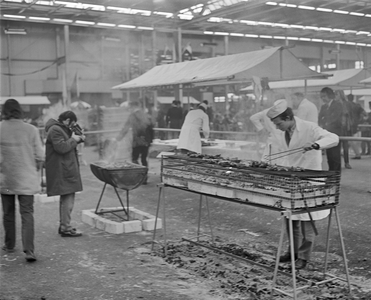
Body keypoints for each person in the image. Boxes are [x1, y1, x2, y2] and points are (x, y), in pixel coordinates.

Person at [266, 101, 339, 270]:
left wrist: (316, 145)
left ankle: (304, 257)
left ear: (289, 117)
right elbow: (271, 150)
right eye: (276, 125)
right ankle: (292, 252)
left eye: (280, 124)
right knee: (290, 218)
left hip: (309, 180)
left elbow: (334, 138)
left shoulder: (310, 128)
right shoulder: (281, 132)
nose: (278, 128)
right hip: (291, 180)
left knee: (306, 219)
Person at [1, 99, 45, 262]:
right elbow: (40, 156)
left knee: (8, 213)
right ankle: (29, 251)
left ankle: (10, 244)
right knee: (27, 213)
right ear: (20, 111)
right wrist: (34, 167)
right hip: (26, 179)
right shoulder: (31, 130)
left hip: (5, 180)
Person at [45, 111, 85, 237]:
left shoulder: (60, 129)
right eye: (71, 123)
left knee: (67, 198)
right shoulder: (55, 130)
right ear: (67, 120)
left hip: (65, 168)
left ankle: (64, 226)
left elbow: (66, 144)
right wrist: (74, 139)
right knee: (68, 198)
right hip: (62, 170)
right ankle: (65, 227)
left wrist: (77, 139)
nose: (71, 126)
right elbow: (61, 147)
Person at [116, 101, 154, 184]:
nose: (129, 109)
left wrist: (118, 138)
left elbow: (126, 128)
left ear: (133, 107)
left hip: (137, 142)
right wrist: (150, 140)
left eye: (130, 107)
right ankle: (144, 178)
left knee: (134, 159)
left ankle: (139, 176)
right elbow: (151, 128)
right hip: (145, 142)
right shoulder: (145, 114)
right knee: (144, 159)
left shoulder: (132, 116)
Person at [250, 99, 287, 164]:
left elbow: (253, 118)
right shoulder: (279, 113)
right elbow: (253, 118)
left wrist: (261, 128)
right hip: (276, 139)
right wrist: (262, 129)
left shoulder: (266, 111)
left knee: (271, 158)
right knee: (274, 159)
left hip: (275, 138)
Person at [318, 87, 343, 171]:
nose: (323, 99)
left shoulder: (338, 105)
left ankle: (336, 178)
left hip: (336, 134)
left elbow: (335, 118)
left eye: (324, 96)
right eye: (321, 97)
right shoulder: (323, 107)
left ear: (330, 95)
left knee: (335, 157)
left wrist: (325, 122)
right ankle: (331, 175)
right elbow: (320, 118)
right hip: (327, 134)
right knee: (330, 157)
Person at [334, 90, 353, 169]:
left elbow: (350, 115)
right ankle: (338, 163)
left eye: (337, 94)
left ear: (341, 95)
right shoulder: (334, 104)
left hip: (345, 128)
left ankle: (346, 162)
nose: (336, 96)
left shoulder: (346, 104)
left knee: (345, 147)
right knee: (336, 147)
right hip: (337, 127)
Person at [347, 94, 367, 159]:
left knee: (350, 139)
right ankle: (356, 153)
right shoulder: (357, 106)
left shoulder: (346, 105)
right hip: (355, 124)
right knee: (351, 139)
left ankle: (357, 154)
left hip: (348, 125)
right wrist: (360, 119)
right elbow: (365, 113)